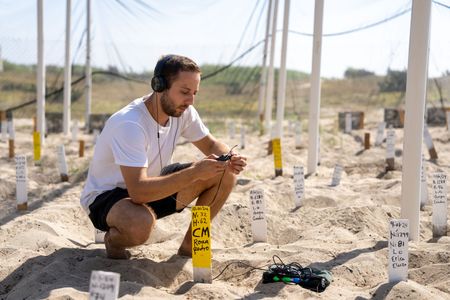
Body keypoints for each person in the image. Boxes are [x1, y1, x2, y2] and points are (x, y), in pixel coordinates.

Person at [80, 54, 247, 259]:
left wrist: (229, 156)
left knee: (224, 174)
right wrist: (194, 173)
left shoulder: (184, 111)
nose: (191, 100)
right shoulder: (130, 124)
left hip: (152, 184)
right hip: (108, 197)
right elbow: (139, 192)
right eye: (185, 92)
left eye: (194, 93)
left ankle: (190, 247)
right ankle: (113, 241)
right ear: (159, 86)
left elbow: (211, 144)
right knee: (140, 225)